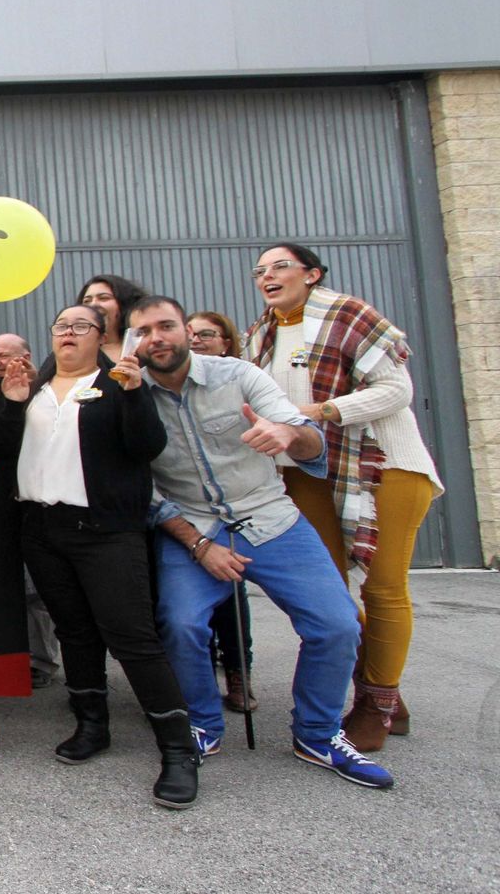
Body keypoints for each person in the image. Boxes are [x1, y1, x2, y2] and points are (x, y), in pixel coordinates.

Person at [131, 295, 393, 789]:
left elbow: (307, 435)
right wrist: (199, 545)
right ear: (132, 341)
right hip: (195, 527)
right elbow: (143, 489)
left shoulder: (239, 376)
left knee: (337, 623)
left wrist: (290, 435)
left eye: (166, 326)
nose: (157, 338)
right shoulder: (131, 396)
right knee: (181, 624)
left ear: (187, 329)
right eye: (144, 331)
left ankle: (317, 734)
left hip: (270, 518)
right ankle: (202, 726)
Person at [0, 305, 199, 809]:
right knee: (74, 631)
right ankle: (91, 725)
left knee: (133, 638)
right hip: (42, 529)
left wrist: (133, 393)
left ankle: (177, 748)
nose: (67, 333)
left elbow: (147, 446)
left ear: (101, 337)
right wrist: (14, 403)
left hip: (105, 531)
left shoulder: (119, 383)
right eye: (60, 326)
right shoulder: (34, 389)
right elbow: (0, 452)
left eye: (80, 327)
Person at [243, 243, 442, 751]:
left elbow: (396, 389)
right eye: (260, 270)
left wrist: (322, 411)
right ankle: (375, 685)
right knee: (329, 594)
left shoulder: (349, 314)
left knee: (383, 588)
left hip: (383, 463)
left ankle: (377, 703)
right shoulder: (260, 336)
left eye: (280, 266)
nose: (268, 276)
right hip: (308, 471)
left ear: (312, 273)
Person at [186, 310, 258, 713]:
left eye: (206, 335)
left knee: (230, 593)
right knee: (186, 608)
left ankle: (238, 671)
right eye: (190, 334)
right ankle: (196, 682)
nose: (196, 341)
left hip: (231, 507)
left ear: (226, 343)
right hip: (184, 509)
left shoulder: (239, 383)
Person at [0, 332, 60, 691]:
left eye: (4, 356)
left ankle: (42, 661)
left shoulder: (45, 394)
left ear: (25, 358)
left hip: (37, 501)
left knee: (36, 591)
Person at [78, 274, 148, 363]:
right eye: (87, 301)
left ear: (124, 304)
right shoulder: (74, 351)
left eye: (103, 298)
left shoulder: (145, 346)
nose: (93, 305)